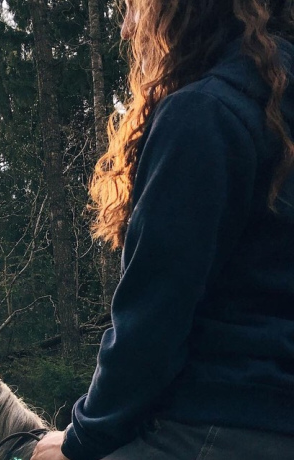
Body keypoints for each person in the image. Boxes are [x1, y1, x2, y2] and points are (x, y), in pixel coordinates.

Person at [32, 0, 294, 459]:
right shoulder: (272, 104)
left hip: (222, 419)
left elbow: (151, 326)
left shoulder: (203, 113)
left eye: (136, 7)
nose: (128, 30)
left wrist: (81, 440)